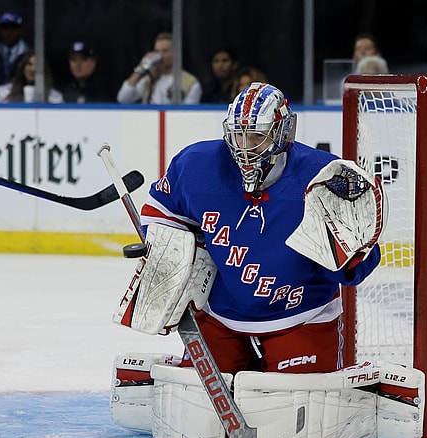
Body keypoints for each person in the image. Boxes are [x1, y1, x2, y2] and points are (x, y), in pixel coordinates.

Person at [138, 82, 382, 374]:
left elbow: (361, 262)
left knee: (296, 407)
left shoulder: (324, 177)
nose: (245, 148)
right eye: (238, 136)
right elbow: (162, 214)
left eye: (256, 137)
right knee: (199, 406)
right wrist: (165, 255)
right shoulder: (198, 165)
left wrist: (349, 258)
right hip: (220, 315)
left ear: (285, 133)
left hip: (302, 316)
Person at [117, 32, 201, 105]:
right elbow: (123, 99)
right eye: (156, 51)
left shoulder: (191, 83)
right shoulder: (149, 80)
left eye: (165, 51)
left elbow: (188, 114)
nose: (159, 56)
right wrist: (140, 68)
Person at [0, 50, 64, 103]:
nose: (33, 69)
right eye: (29, 64)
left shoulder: (55, 97)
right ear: (23, 68)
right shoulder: (3, 91)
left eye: (38, 65)